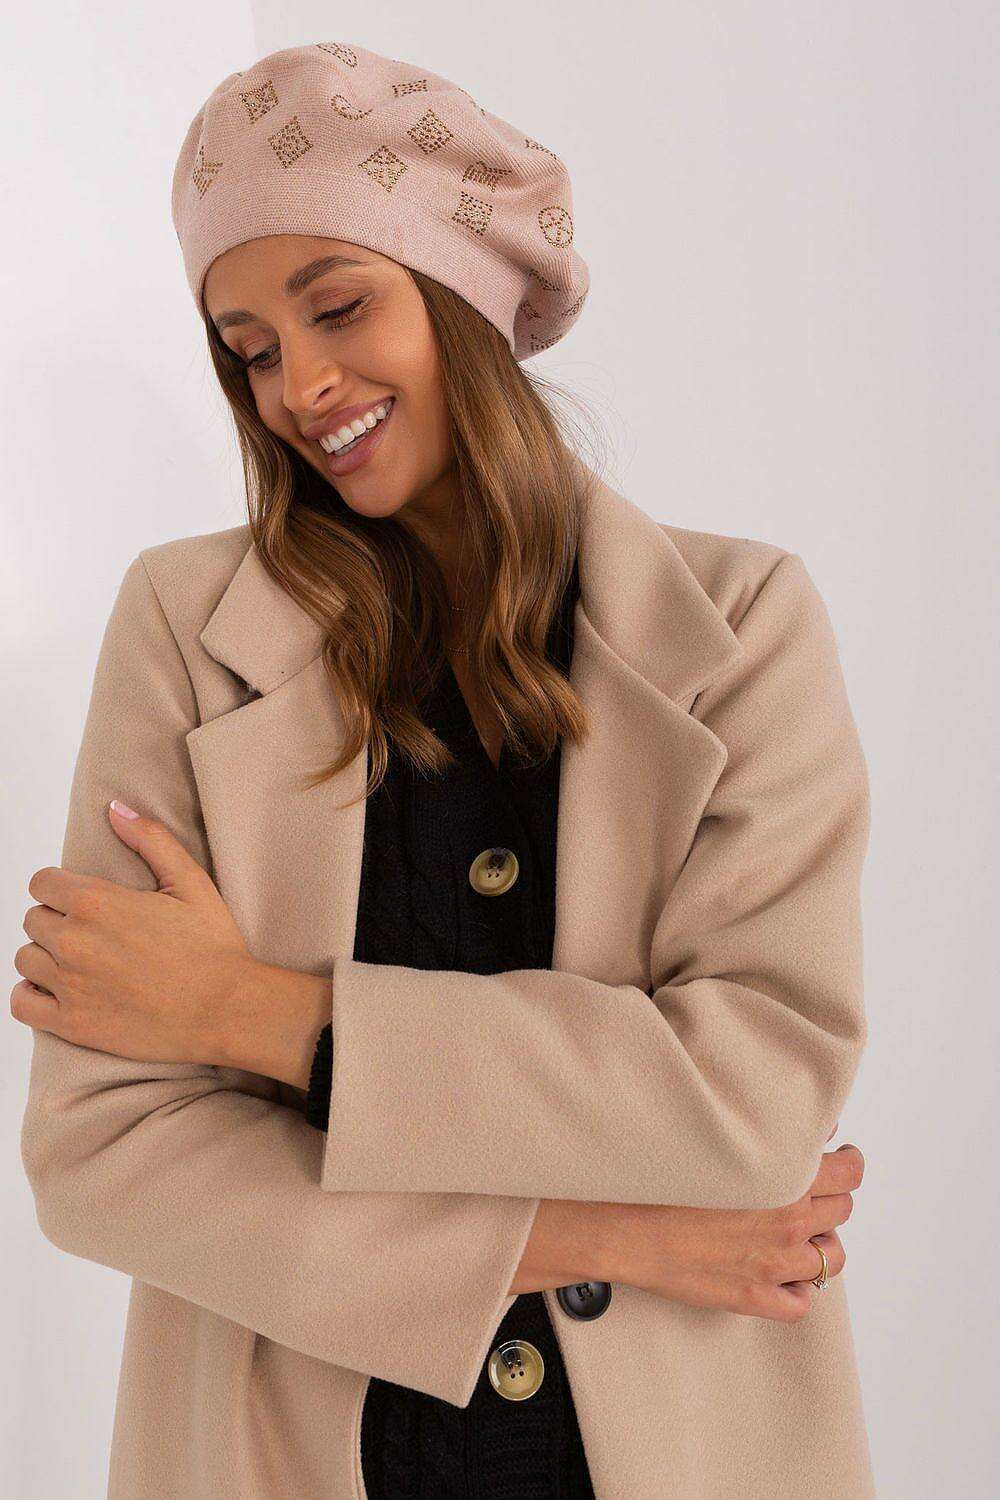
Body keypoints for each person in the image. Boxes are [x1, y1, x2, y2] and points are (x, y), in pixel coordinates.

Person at [16, 39, 874, 1499]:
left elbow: (750, 1096)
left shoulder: (741, 625)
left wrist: (259, 1015)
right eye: (250, 347)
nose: (300, 385)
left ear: (464, 292)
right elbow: (103, 1157)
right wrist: (603, 1234)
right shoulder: (183, 628)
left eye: (339, 304)